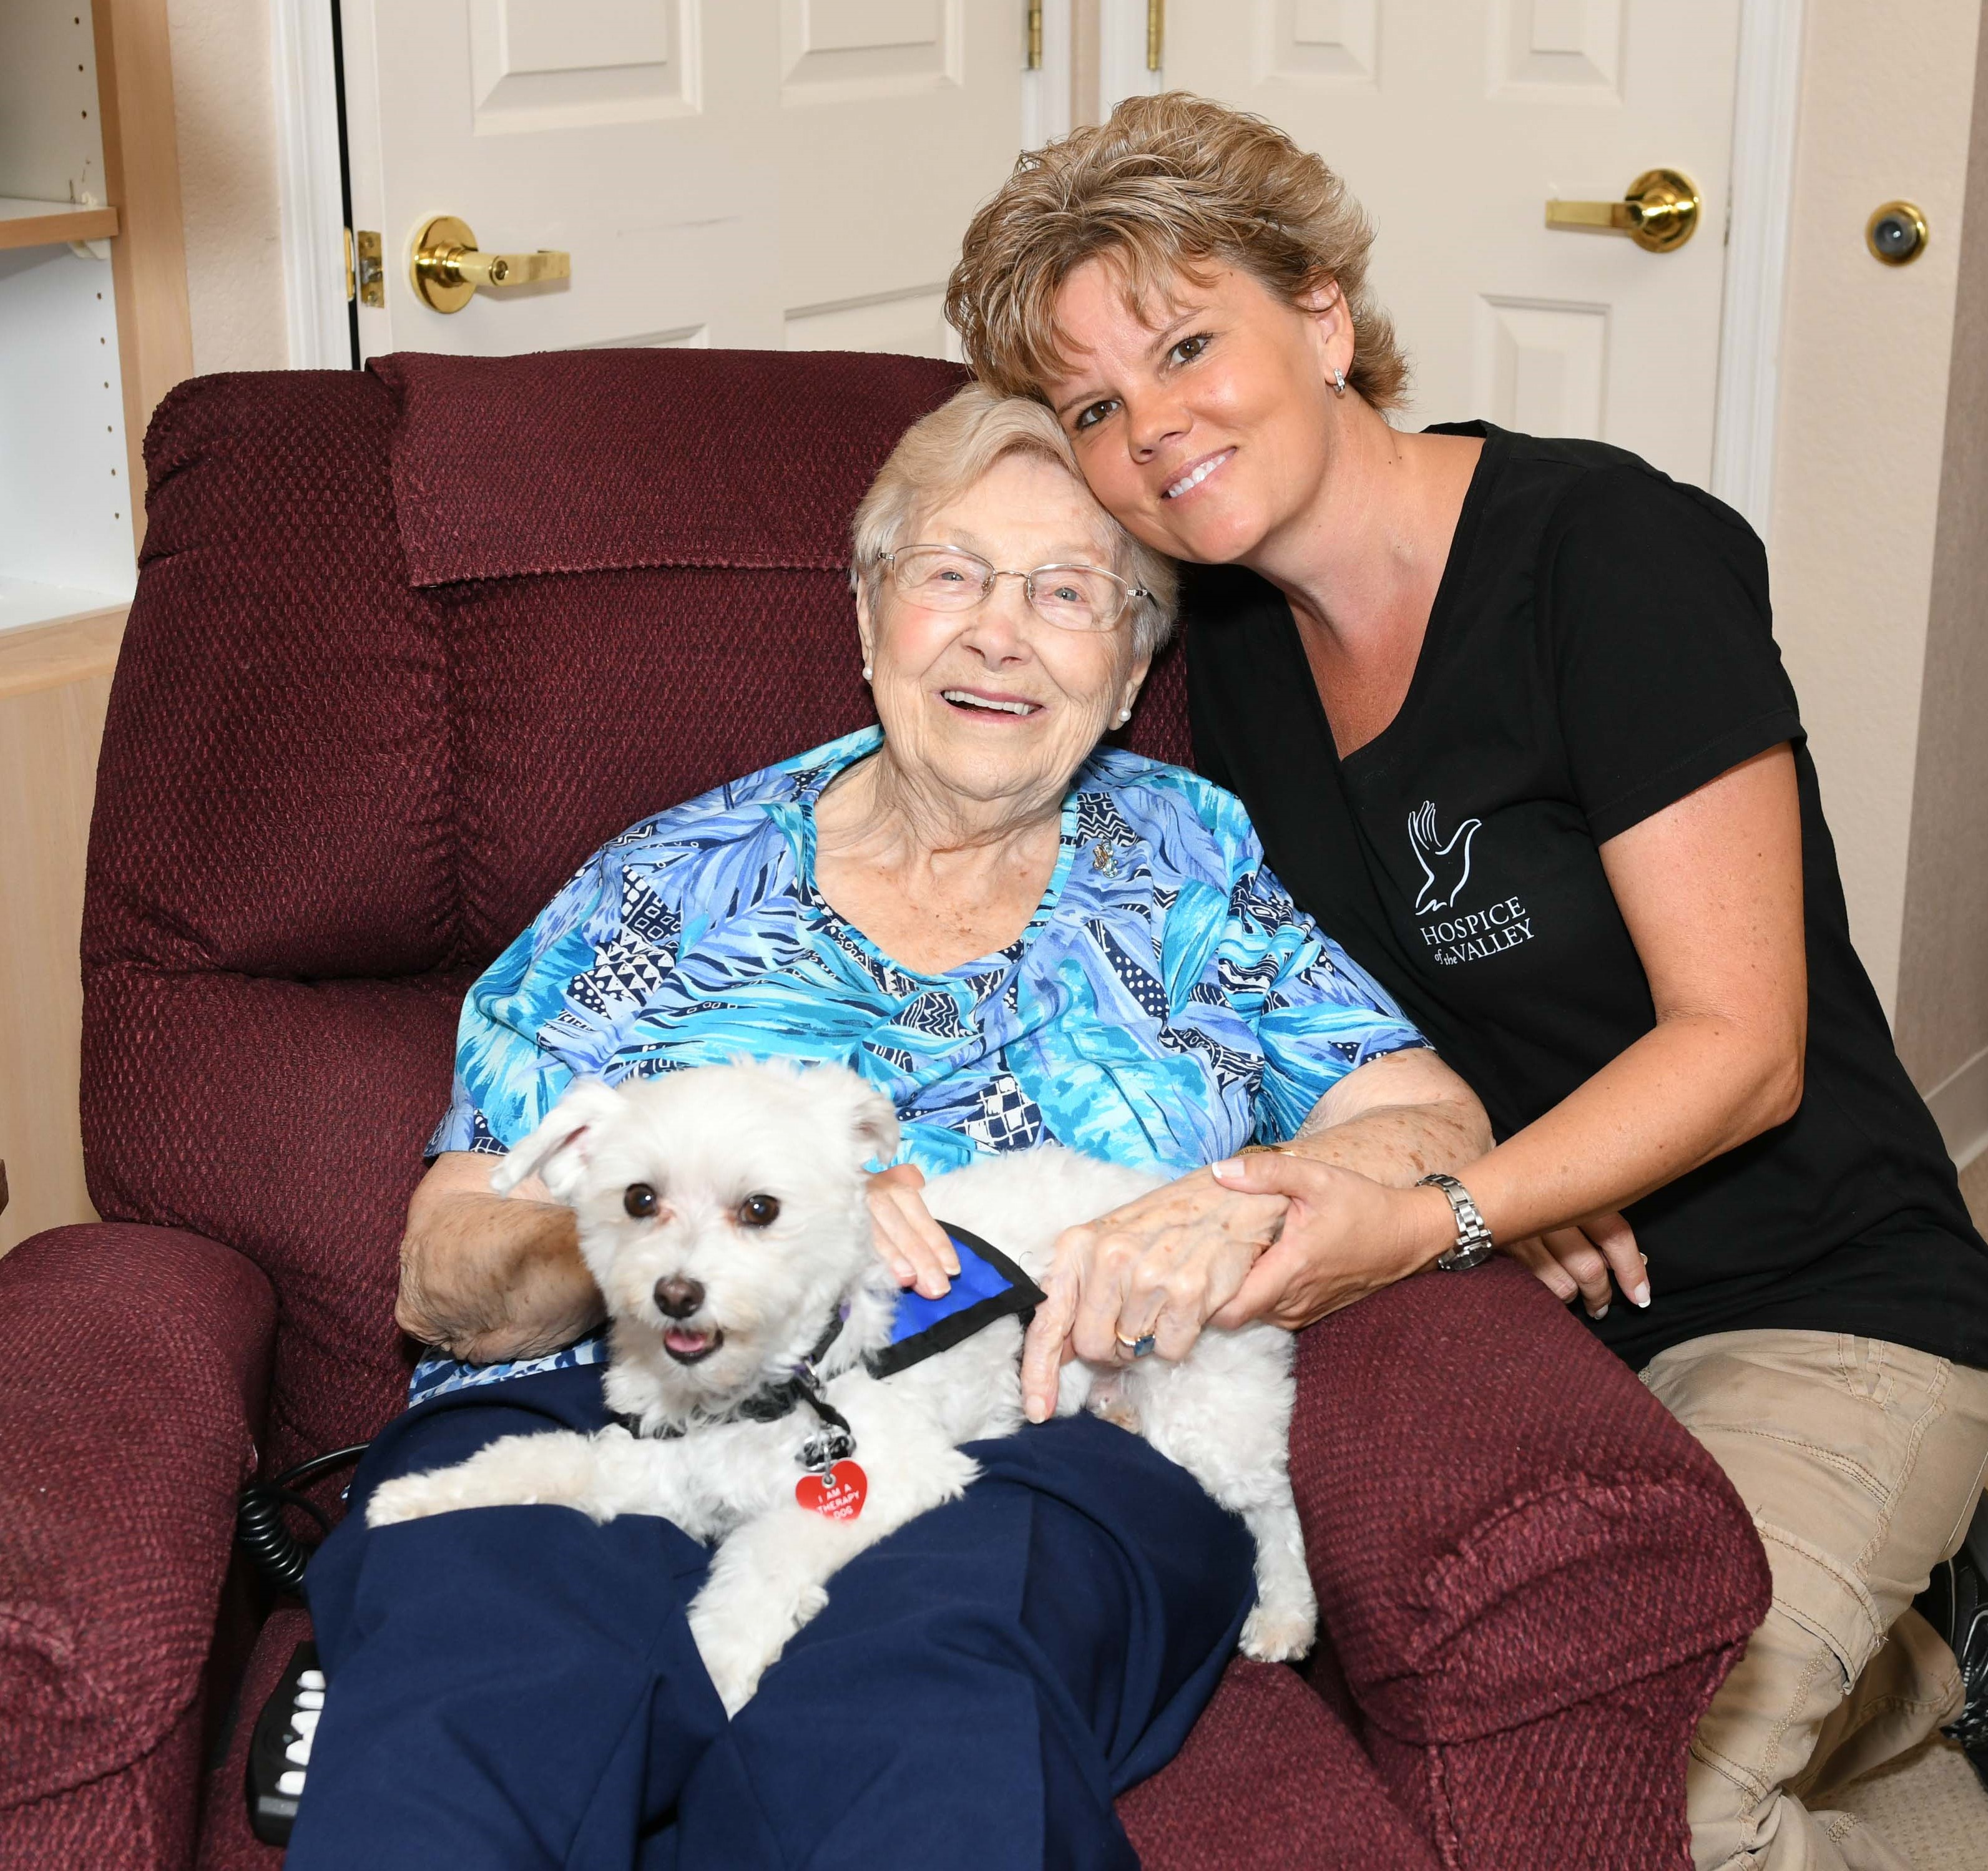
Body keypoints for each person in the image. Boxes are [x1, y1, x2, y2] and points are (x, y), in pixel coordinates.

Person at [944, 93, 1988, 1867]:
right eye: (1094, 403)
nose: (1150, 427)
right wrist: (1475, 1192)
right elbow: (1318, 1003)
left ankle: (1894, 1598)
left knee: (1635, 1809)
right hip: (1531, 1287)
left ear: (1321, 316)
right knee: (1428, 1728)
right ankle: (1919, 1656)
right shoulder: (1229, 645)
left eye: (1183, 342)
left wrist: (1451, 1209)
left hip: (1817, 1283)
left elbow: (1745, 1047)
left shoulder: (1603, 552)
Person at [286, 386, 1491, 1870]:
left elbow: (1433, 1125)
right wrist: (681, 1229)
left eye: (1068, 593)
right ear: (869, 622)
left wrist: (1225, 1208)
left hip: (1030, 1441)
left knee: (931, 1698)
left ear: (1127, 673)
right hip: (614, 1406)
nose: (1002, 630)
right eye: (952, 574)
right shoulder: (662, 887)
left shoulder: (1188, 865)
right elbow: (443, 1276)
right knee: (484, 1656)